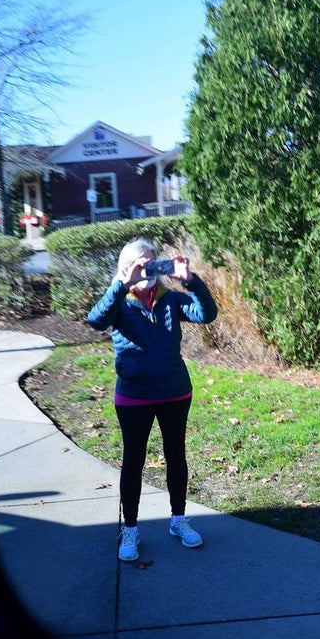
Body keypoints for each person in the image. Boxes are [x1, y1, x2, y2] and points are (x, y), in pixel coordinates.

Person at [87, 237, 218, 562]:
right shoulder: (120, 301)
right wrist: (122, 285)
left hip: (175, 391)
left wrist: (190, 281)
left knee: (176, 455)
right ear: (126, 268)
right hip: (134, 395)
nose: (147, 270)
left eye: (152, 263)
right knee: (133, 461)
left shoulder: (169, 298)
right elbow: (95, 320)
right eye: (140, 264)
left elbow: (207, 314)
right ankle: (130, 528)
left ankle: (178, 520)